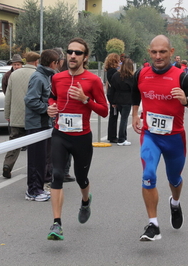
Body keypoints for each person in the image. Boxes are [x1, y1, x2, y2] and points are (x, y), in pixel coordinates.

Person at [132, 35, 188, 241]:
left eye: (162, 52)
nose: (158, 56)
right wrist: (135, 113)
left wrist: (186, 101)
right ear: (149, 52)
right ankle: (153, 225)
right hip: (150, 136)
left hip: (174, 139)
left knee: (174, 179)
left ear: (171, 52)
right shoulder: (141, 74)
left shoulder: (182, 77)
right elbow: (135, 93)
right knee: (148, 175)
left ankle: (175, 202)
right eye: (154, 52)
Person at [46, 38, 108, 240]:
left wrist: (85, 100)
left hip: (81, 137)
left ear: (85, 57)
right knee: (56, 175)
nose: (73, 55)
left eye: (78, 53)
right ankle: (57, 224)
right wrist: (51, 107)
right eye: (70, 51)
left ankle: (85, 201)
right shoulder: (58, 78)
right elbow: (52, 96)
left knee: (81, 178)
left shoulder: (93, 80)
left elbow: (104, 111)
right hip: (60, 134)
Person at [24, 49, 59, 202]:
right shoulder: (39, 77)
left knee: (41, 159)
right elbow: (30, 100)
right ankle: (33, 191)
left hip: (43, 123)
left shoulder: (46, 77)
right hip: (36, 124)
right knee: (36, 159)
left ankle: (37, 188)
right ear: (53, 63)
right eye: (58, 62)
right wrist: (47, 109)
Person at [2, 52, 40, 179]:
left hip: (16, 116)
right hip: (33, 117)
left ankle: (7, 165)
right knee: (35, 146)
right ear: (36, 62)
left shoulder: (13, 75)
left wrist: (7, 114)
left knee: (14, 143)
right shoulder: (38, 74)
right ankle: (35, 171)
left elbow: (8, 97)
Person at [52, 47, 75, 183]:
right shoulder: (56, 76)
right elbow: (51, 95)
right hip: (61, 116)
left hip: (69, 117)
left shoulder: (65, 72)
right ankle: (62, 172)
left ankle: (62, 171)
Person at [109, 58, 134, 146]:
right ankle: (122, 138)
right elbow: (134, 90)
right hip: (127, 99)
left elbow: (112, 89)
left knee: (121, 118)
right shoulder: (131, 77)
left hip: (117, 98)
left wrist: (112, 101)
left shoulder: (116, 75)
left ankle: (123, 137)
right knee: (124, 119)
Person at [104, 53, 121, 143]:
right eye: (118, 60)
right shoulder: (113, 71)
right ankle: (112, 136)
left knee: (113, 116)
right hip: (114, 95)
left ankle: (112, 135)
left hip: (111, 94)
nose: (119, 62)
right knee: (114, 116)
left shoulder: (109, 70)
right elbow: (115, 84)